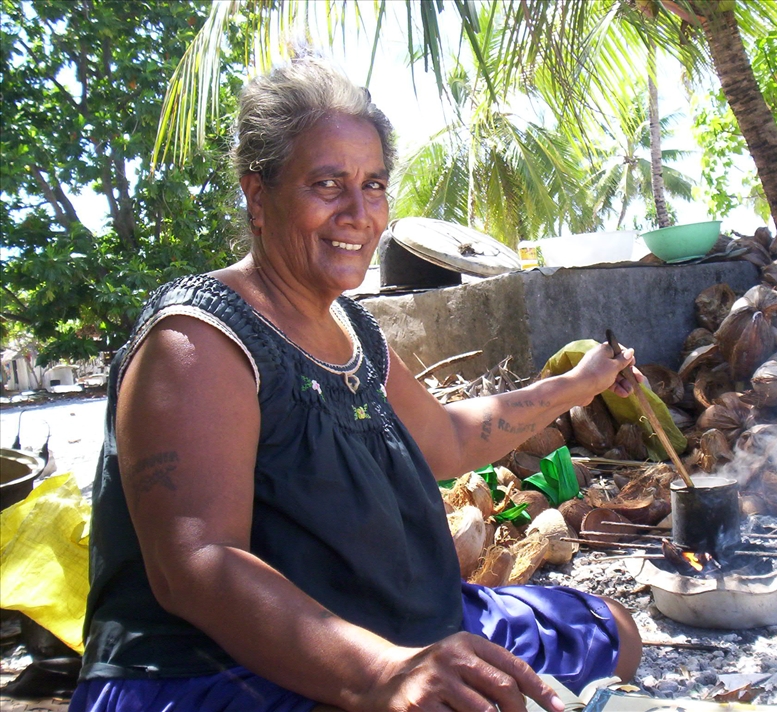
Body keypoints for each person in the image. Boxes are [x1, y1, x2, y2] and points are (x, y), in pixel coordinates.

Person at [69, 54, 642, 712]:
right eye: (327, 184)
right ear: (259, 196)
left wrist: (579, 384)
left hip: (385, 631)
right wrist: (383, 674)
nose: (359, 212)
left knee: (610, 633)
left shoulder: (353, 333)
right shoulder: (198, 340)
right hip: (218, 667)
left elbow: (447, 440)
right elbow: (195, 567)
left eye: (373, 185)